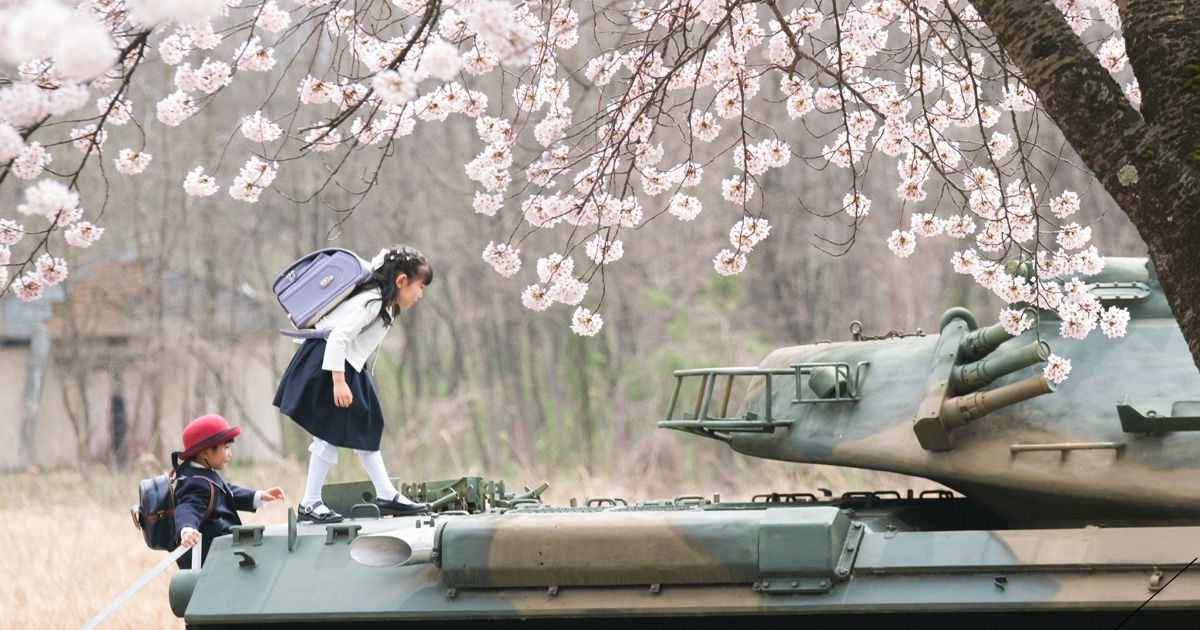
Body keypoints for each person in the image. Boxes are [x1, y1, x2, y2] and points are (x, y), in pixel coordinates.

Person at [273, 245, 433, 523]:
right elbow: (336, 338)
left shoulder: (385, 305)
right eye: (419, 287)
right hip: (330, 364)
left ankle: (385, 494)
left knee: (367, 425)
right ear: (401, 281)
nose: (420, 295)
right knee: (328, 433)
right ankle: (311, 502)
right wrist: (338, 382)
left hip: (346, 365)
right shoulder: (371, 303)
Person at [173, 414, 285, 569]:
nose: (230, 454)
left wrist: (258, 496)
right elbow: (187, 507)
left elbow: (225, 491)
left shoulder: (200, 473)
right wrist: (187, 529)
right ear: (204, 453)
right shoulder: (195, 484)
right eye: (226, 448)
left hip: (219, 551)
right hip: (210, 558)